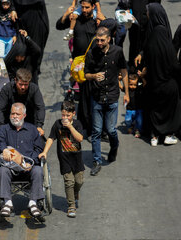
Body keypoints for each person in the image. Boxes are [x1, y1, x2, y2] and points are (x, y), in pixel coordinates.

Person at [84, 26, 129, 176]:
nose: (99, 42)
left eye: (102, 40)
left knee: (111, 130)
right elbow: (86, 74)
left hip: (112, 96)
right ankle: (97, 161)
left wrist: (126, 93)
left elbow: (124, 71)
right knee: (96, 131)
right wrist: (94, 76)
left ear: (109, 39)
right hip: (97, 97)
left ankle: (114, 146)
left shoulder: (117, 52)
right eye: (97, 39)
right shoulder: (91, 53)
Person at [136, 3, 181, 146]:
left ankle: (154, 136)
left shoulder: (151, 37)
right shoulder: (163, 37)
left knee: (153, 107)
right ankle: (169, 134)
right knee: (174, 96)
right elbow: (173, 64)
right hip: (166, 83)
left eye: (148, 12)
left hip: (152, 83)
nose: (146, 15)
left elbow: (148, 60)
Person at [0, 103, 44, 218]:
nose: (14, 116)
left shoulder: (32, 130)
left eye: (18, 114)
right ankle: (7, 203)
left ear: (24, 115)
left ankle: (33, 203)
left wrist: (31, 162)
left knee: (38, 170)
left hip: (28, 168)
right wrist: (3, 149)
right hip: (11, 168)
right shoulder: (4, 129)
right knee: (2, 171)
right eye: (12, 113)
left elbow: (39, 148)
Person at [56, 0, 97, 137]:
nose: (84, 10)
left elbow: (112, 28)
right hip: (80, 67)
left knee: (95, 98)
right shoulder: (76, 18)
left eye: (87, 7)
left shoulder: (97, 21)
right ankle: (84, 127)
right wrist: (66, 14)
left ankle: (97, 128)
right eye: (83, 7)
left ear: (93, 7)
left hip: (95, 65)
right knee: (84, 98)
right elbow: (59, 25)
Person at [39, 101, 84, 218]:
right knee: (69, 182)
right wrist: (45, 152)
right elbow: (50, 138)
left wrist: (70, 126)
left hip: (77, 159)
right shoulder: (57, 124)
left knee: (79, 181)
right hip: (64, 159)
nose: (65, 118)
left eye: (67, 115)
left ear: (73, 114)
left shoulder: (77, 124)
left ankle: (75, 193)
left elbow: (79, 138)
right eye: (63, 115)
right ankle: (71, 206)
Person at [0, 68, 45, 138]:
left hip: (29, 119)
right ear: (15, 80)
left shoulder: (34, 89)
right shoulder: (7, 89)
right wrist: (1, 126)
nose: (23, 87)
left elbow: (40, 107)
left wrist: (39, 125)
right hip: (10, 120)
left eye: (26, 85)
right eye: (20, 84)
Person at [119, 73, 145, 138]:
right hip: (129, 109)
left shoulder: (138, 88)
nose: (133, 86)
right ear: (128, 83)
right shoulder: (127, 89)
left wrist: (142, 77)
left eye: (135, 85)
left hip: (138, 109)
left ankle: (137, 130)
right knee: (127, 120)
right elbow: (121, 87)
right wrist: (118, 80)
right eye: (131, 84)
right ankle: (130, 126)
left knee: (139, 121)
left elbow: (144, 84)